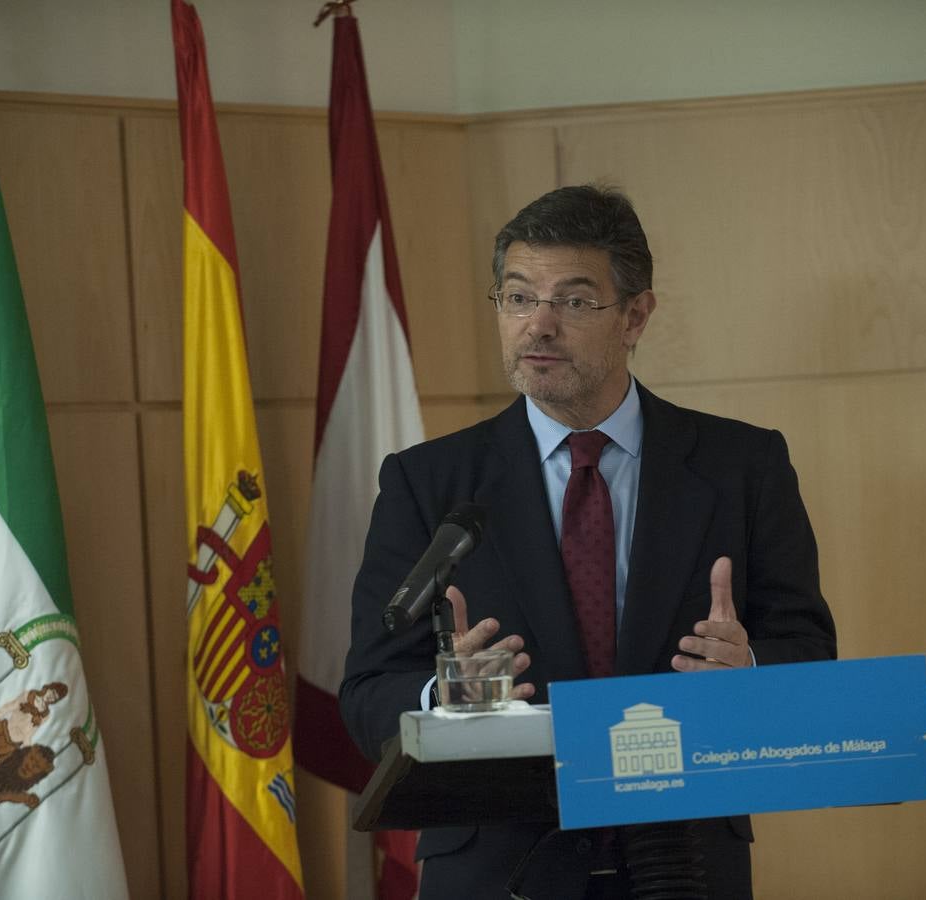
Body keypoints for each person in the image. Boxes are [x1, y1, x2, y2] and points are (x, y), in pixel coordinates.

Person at [339, 184, 836, 899]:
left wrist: (750, 669)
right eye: (516, 298)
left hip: (684, 867)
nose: (538, 326)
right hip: (496, 871)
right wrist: (442, 696)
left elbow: (813, 655)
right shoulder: (428, 482)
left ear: (636, 315)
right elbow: (365, 692)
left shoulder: (742, 467)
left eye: (573, 302)